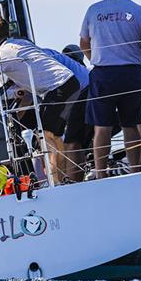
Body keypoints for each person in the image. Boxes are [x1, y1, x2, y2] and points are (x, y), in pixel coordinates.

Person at [0, 15, 81, 183]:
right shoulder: (23, 43)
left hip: (58, 88)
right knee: (53, 135)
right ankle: (62, 178)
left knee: (46, 135)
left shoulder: (2, 54)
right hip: (70, 83)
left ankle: (58, 181)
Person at [79, 0, 141, 178]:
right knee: (130, 125)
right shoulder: (140, 11)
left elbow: (84, 42)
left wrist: (96, 58)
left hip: (103, 74)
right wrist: (137, 51)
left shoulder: (94, 10)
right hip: (131, 74)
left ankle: (101, 173)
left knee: (101, 127)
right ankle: (134, 170)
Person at [41, 44, 90, 182]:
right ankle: (67, 179)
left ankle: (67, 181)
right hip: (86, 97)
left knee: (70, 141)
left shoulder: (62, 65)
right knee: (71, 140)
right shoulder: (81, 69)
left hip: (80, 96)